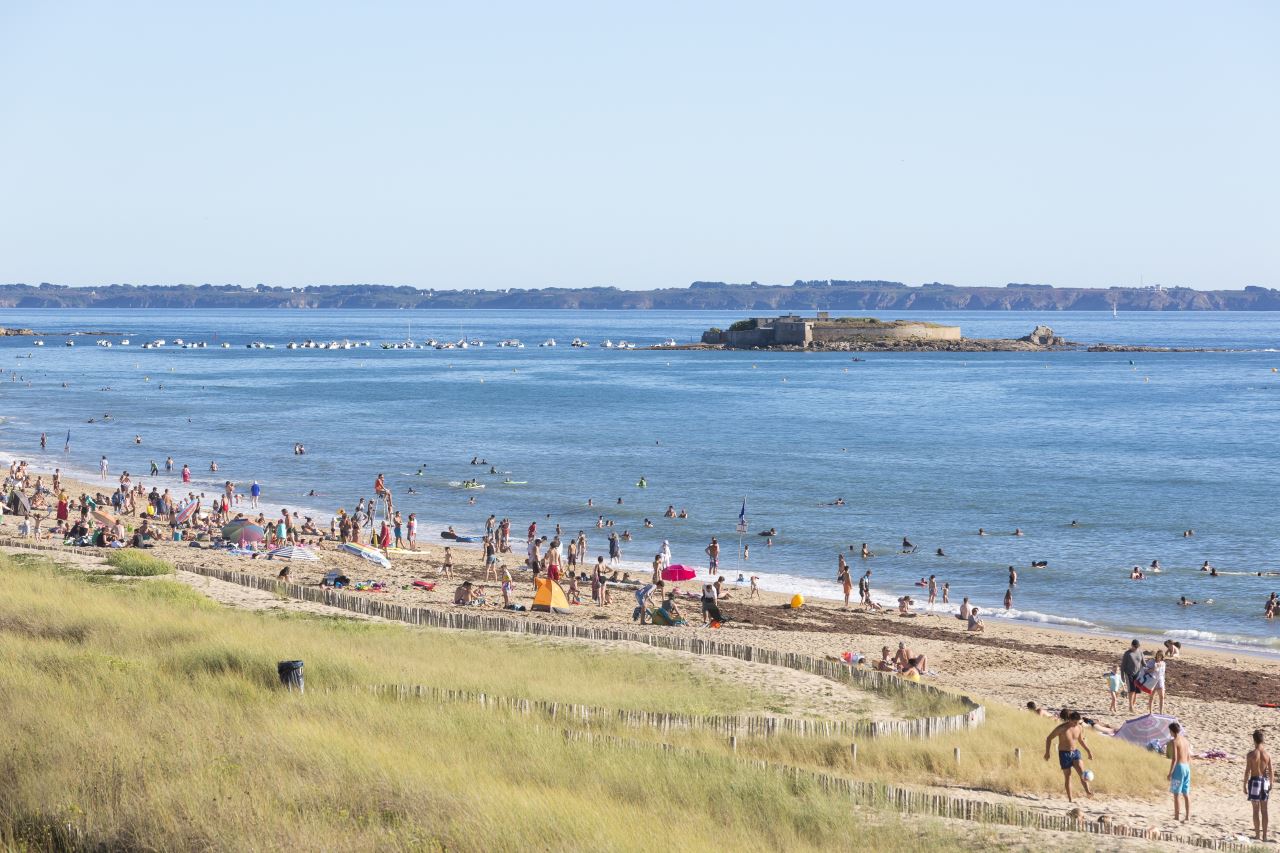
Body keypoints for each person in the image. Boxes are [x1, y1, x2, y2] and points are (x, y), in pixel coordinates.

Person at [1044, 711, 1094, 803]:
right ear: (1070, 719)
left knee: (1083, 773)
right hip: (1064, 754)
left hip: (1075, 752)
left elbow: (1081, 740)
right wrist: (1047, 753)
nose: (1076, 724)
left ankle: (1088, 792)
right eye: (1074, 722)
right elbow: (1049, 738)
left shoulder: (1079, 727)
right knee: (1068, 776)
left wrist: (1089, 751)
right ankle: (1070, 798)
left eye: (1078, 722)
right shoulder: (1061, 728)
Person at [1247, 729, 1273, 841]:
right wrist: (1271, 783)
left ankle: (1257, 835)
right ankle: (1265, 836)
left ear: (1254, 740)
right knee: (1264, 810)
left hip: (1255, 781)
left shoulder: (1251, 754)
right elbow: (1271, 771)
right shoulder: (1267, 754)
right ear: (1263, 740)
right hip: (1265, 781)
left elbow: (1247, 771)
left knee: (1255, 810)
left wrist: (1244, 784)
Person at [1168, 721, 1191, 822]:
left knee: (1176, 793)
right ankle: (1187, 816)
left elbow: (1174, 759)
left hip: (1179, 768)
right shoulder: (1185, 740)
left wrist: (1170, 773)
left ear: (1172, 731)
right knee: (1186, 793)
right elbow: (1189, 756)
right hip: (1186, 767)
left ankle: (1177, 816)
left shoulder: (1174, 741)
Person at [1121, 639, 1144, 713]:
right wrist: (1122, 677)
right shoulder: (1127, 654)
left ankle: (1133, 706)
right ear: (1132, 645)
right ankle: (1130, 707)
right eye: (1135, 647)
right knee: (1131, 690)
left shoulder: (1140, 652)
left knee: (1136, 691)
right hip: (1129, 674)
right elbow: (1122, 666)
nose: (1136, 648)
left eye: (1137, 647)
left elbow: (1144, 663)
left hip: (1138, 673)